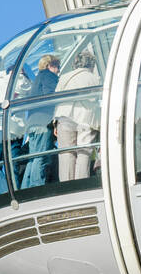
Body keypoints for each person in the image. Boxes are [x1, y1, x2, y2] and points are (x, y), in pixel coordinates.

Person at [54, 49, 100, 182]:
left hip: (64, 116)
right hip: (86, 118)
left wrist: (55, 123)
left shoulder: (64, 77)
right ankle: (81, 183)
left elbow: (56, 99)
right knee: (84, 152)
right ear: (91, 63)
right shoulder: (93, 77)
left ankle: (66, 185)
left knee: (66, 153)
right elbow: (96, 100)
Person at [20, 54, 60, 188]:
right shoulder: (49, 76)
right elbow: (52, 95)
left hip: (32, 123)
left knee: (34, 158)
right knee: (41, 157)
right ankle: (37, 187)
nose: (58, 70)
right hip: (43, 121)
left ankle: (26, 189)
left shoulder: (37, 79)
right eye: (57, 66)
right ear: (49, 65)